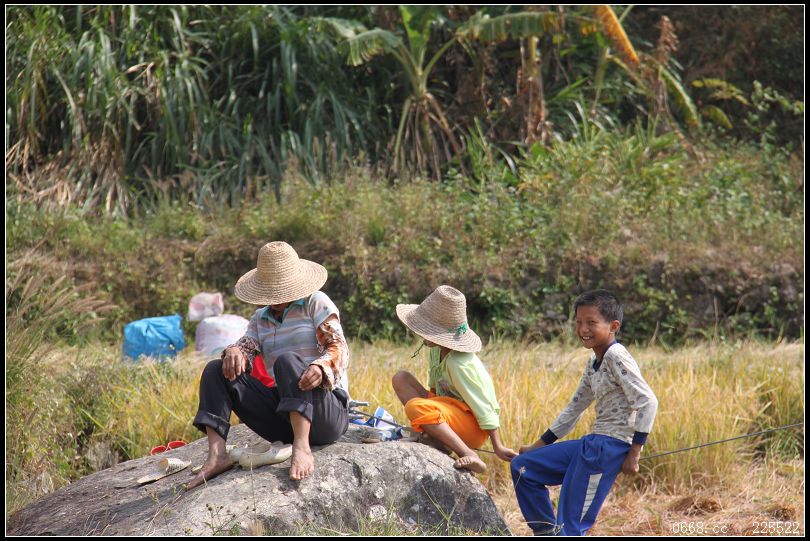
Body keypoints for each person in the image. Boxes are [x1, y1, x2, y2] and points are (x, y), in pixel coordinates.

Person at [187, 241, 350, 489]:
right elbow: (246, 346)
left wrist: (320, 368)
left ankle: (302, 446)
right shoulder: (260, 318)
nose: (276, 299)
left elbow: (338, 347)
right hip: (284, 416)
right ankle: (217, 455)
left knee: (287, 361)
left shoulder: (315, 303)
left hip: (325, 413)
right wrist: (234, 351)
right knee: (215, 369)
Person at [510, 289, 658, 536]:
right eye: (578, 322)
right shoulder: (593, 361)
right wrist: (537, 446)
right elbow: (575, 407)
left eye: (591, 322)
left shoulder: (616, 355)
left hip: (607, 449)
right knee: (523, 468)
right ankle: (547, 532)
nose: (583, 329)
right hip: (592, 444)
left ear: (613, 326)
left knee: (570, 526)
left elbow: (647, 401)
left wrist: (634, 453)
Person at [391, 285, 516, 474]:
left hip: (472, 426)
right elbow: (435, 392)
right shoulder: (436, 351)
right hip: (449, 412)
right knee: (401, 378)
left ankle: (468, 453)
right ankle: (437, 439)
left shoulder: (459, 363)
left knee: (415, 407)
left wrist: (498, 446)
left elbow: (484, 404)